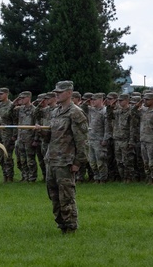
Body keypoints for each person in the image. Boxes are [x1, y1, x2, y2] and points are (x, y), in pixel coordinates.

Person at [45, 81, 87, 233]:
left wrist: (78, 162)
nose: (57, 95)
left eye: (60, 92)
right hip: (52, 160)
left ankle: (70, 226)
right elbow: (51, 137)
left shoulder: (75, 113)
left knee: (66, 196)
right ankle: (61, 224)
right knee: (54, 195)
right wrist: (42, 132)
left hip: (65, 162)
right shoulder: (55, 112)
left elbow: (82, 140)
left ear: (69, 93)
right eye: (56, 92)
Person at [138, 93, 153, 184]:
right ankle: (149, 179)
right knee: (145, 162)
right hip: (143, 139)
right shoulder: (143, 110)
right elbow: (132, 113)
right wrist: (137, 105)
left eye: (147, 99)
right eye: (144, 99)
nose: (145, 101)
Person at [0, 88, 15, 182]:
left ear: (7, 94)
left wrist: (14, 134)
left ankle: (10, 176)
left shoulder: (12, 105)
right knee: (0, 157)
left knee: (7, 156)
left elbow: (15, 121)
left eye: (1, 94)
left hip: (8, 134)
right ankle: (4, 175)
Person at [87, 93, 110, 183]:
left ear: (100, 100)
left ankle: (103, 179)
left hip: (99, 140)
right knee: (92, 162)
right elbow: (82, 108)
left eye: (94, 100)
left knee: (101, 161)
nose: (92, 101)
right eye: (92, 100)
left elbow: (107, 127)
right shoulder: (91, 110)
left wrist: (105, 139)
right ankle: (96, 178)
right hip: (91, 139)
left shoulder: (104, 111)